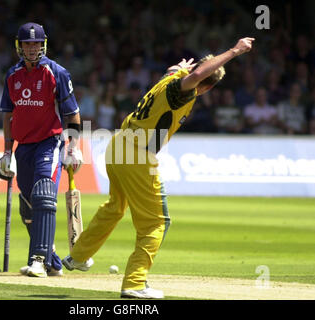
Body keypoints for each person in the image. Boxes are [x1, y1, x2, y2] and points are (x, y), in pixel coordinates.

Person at [62, 37, 255, 299]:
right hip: (137, 155)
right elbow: (198, 74)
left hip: (118, 144)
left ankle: (78, 256)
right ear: (208, 87)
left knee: (115, 207)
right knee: (156, 222)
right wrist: (234, 51)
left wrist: (177, 69)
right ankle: (134, 283)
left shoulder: (171, 78)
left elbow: (181, 72)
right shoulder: (185, 89)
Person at [0, 22, 83, 278]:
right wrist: (7, 152)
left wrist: (74, 147)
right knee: (27, 206)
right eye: (27, 44)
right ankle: (54, 263)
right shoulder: (12, 75)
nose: (32, 48)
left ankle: (39, 260)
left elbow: (73, 113)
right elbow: (8, 116)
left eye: (36, 43)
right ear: (19, 46)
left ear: (43, 45)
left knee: (44, 194)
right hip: (23, 147)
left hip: (50, 142)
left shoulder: (57, 72)